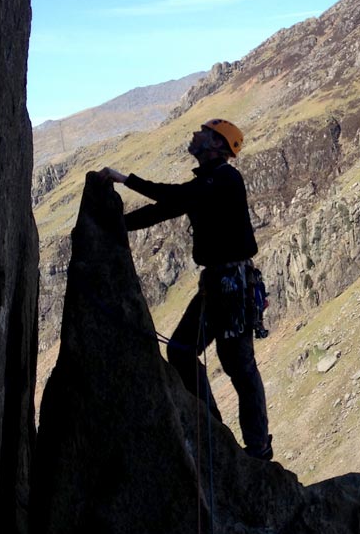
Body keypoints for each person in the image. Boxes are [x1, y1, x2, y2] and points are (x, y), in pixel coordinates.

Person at [100, 119, 273, 461]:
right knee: (181, 350)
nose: (195, 135)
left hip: (231, 284)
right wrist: (117, 225)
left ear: (216, 145)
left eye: (203, 132)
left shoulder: (224, 178)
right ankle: (214, 428)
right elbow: (165, 209)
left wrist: (125, 179)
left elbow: (174, 197)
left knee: (238, 364)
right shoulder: (209, 183)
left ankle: (257, 449)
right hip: (220, 283)